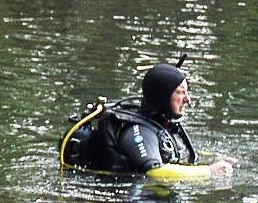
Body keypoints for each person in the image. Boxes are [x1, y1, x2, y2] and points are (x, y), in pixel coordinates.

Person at [60, 59, 236, 180]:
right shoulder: (138, 130)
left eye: (187, 92)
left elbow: (175, 152)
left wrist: (215, 159)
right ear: (163, 96)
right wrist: (209, 171)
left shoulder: (160, 122)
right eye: (180, 92)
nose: (187, 99)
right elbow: (154, 171)